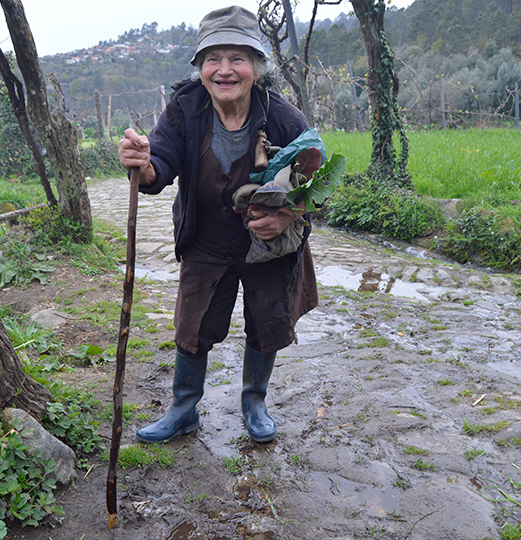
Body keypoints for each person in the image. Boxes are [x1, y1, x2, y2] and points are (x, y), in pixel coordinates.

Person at [118, 5, 318, 444]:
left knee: (268, 319)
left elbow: (314, 186)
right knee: (193, 326)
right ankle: (183, 408)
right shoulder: (185, 110)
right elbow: (160, 166)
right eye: (213, 58)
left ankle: (255, 402)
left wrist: (284, 214)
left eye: (238, 58)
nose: (225, 70)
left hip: (267, 247)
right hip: (205, 239)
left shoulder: (285, 118)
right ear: (200, 67)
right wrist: (143, 163)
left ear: (256, 67)